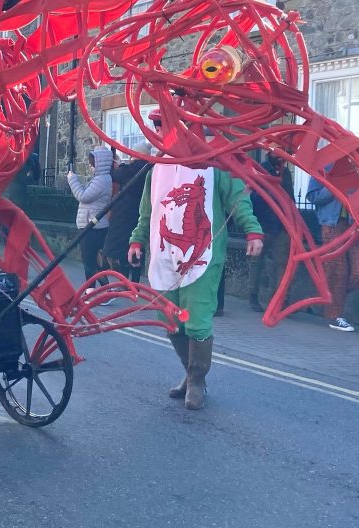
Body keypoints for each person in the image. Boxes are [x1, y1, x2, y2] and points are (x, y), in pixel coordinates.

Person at [128, 158, 263, 410]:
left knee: (197, 319)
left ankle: (197, 381)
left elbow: (237, 198)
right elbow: (148, 209)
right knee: (170, 319)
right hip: (164, 255)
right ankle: (190, 374)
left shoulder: (217, 163)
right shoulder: (157, 167)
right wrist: (137, 239)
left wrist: (252, 230)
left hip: (203, 255)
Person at [306, 168, 359, 332]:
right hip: (331, 224)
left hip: (353, 224)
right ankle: (335, 314)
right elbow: (312, 196)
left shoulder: (357, 169)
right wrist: (335, 187)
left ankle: (328, 300)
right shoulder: (322, 168)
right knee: (337, 268)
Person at [248, 150, 295, 312]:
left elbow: (290, 198)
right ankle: (253, 295)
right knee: (256, 262)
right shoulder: (262, 169)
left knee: (283, 263)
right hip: (264, 223)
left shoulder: (285, 172)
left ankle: (280, 300)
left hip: (281, 224)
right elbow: (254, 196)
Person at [101, 145, 151, 284]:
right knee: (137, 250)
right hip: (139, 213)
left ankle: (123, 282)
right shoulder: (151, 169)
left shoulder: (132, 169)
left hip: (124, 214)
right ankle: (134, 284)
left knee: (120, 251)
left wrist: (120, 164)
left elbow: (116, 175)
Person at [68, 147, 113, 293]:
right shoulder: (101, 179)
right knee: (91, 261)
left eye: (92, 162)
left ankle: (101, 291)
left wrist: (72, 180)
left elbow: (83, 196)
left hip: (93, 226)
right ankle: (96, 290)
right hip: (93, 224)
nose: (90, 165)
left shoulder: (101, 180)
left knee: (90, 261)